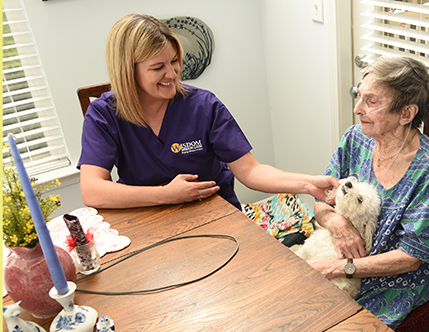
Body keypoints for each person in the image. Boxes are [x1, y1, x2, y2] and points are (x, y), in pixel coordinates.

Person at [78, 14, 338, 210]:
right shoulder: (104, 114)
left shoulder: (203, 106)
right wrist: (165, 194)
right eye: (158, 67)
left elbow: (250, 171)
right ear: (128, 71)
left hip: (215, 213)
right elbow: (92, 191)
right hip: (148, 215)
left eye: (175, 61)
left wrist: (307, 184)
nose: (172, 74)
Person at [310, 55, 429, 329]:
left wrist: (340, 268)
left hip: (396, 284)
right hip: (341, 259)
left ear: (406, 114)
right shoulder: (354, 139)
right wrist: (336, 223)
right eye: (359, 96)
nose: (357, 109)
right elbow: (320, 199)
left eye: (371, 101)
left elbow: (412, 258)